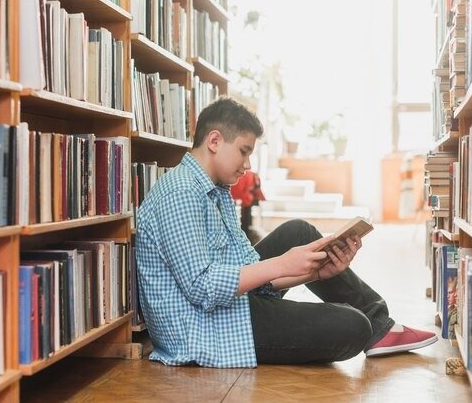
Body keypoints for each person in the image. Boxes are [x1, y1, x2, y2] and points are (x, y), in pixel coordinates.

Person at [135, 97, 437, 367]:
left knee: (298, 232)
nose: (247, 164)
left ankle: (381, 328)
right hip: (205, 329)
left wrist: (316, 273)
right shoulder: (181, 192)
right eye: (243, 151)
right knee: (354, 326)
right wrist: (283, 264)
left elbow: (250, 271)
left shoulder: (217, 192)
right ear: (214, 141)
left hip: (226, 305)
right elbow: (202, 287)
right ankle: (375, 327)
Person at [230, 169, 265, 244]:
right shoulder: (250, 174)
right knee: (245, 224)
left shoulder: (234, 173)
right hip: (245, 201)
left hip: (236, 200)